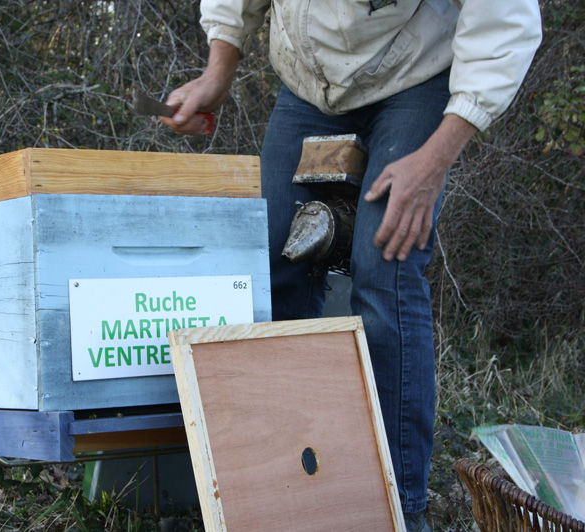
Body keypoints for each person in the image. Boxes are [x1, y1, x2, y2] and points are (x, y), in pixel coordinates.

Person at [161, 1, 542, 530]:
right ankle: (280, 490)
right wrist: (217, 71)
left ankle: (399, 507)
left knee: (386, 266)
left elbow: (505, 20)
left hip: (415, 78)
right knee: (266, 269)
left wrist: (435, 159)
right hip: (307, 84)